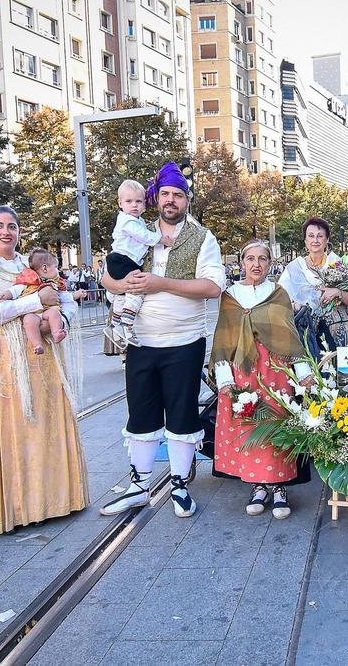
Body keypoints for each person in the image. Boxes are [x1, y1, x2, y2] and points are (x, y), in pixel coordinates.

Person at [98, 161, 226, 519]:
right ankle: (139, 485)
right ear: (156, 197)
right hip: (140, 340)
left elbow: (213, 287)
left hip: (184, 341)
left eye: (178, 195)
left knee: (183, 415)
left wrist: (160, 284)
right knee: (141, 413)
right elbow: (108, 274)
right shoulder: (136, 228)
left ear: (187, 199)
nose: (171, 200)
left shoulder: (202, 237)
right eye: (165, 194)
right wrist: (120, 285)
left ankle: (179, 486)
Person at [0, 205, 87, 534]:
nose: (7, 232)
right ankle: (18, 508)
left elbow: (66, 300)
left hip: (44, 359)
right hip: (6, 364)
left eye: (12, 227)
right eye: (0, 226)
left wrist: (59, 320)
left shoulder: (31, 265)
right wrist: (36, 303)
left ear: (19, 232)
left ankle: (54, 501)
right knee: (13, 432)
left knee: (43, 429)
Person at [212, 239, 312, 519]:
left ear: (270, 263)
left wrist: (303, 373)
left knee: (277, 426)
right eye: (251, 259)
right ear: (242, 263)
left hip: (276, 372)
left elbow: (289, 337)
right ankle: (258, 486)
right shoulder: (230, 296)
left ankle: (279, 487)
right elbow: (223, 339)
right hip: (242, 371)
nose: (256, 265)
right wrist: (224, 378)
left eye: (263, 259)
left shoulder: (277, 293)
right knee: (249, 426)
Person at [277, 217, 348, 360]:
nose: (315, 240)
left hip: (340, 332)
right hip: (306, 333)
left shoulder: (340, 264)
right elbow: (279, 300)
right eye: (311, 236)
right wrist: (295, 305)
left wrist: (338, 293)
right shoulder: (293, 268)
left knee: (343, 377)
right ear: (305, 240)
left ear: (327, 239)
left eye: (320, 236)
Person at [105, 179, 176, 347]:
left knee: (121, 297)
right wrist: (161, 240)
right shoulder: (127, 221)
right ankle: (126, 326)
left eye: (138, 201)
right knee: (136, 292)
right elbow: (143, 236)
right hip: (123, 260)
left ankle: (114, 325)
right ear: (120, 203)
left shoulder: (137, 220)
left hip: (122, 260)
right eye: (129, 201)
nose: (134, 205)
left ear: (144, 204)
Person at [0, 248, 79, 354]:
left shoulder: (56, 282)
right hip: (32, 313)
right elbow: (15, 290)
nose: (58, 271)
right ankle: (37, 344)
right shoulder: (28, 279)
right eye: (55, 267)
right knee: (28, 321)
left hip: (47, 311)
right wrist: (6, 294)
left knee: (54, 313)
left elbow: (65, 297)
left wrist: (75, 295)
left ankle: (56, 333)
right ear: (44, 268)